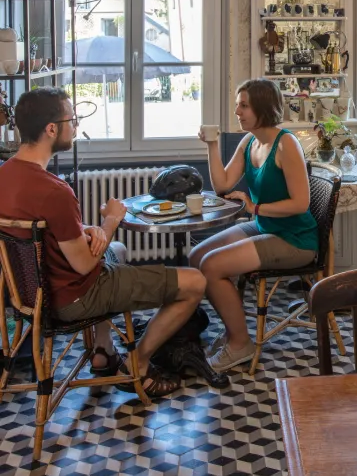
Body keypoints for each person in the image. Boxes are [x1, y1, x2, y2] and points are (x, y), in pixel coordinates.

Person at [0, 88, 206, 397]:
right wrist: (110, 221)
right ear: (51, 129)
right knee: (196, 281)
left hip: (29, 296)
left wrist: (89, 229)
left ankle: (103, 351)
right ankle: (137, 363)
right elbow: (84, 264)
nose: (77, 126)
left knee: (118, 250)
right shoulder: (55, 191)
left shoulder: (6, 175)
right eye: (73, 119)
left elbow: (41, 227)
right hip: (75, 298)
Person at [190, 78, 318, 372]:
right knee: (196, 258)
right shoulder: (249, 142)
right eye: (238, 104)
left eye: (244, 105)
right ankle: (233, 327)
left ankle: (240, 344)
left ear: (263, 107)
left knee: (212, 266)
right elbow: (222, 185)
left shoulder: (287, 144)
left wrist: (254, 207)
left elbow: (300, 203)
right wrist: (212, 145)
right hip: (265, 227)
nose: (237, 111)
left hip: (295, 239)